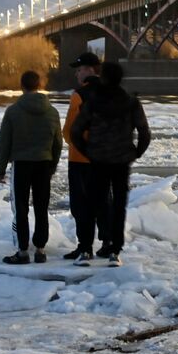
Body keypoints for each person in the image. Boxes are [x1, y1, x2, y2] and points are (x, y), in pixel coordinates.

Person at [69, 61, 152, 267]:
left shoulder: (94, 102)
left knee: (91, 203)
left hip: (97, 160)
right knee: (118, 205)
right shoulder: (131, 102)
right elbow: (144, 131)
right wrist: (136, 152)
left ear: (104, 77)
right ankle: (115, 250)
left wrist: (87, 152)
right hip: (121, 161)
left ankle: (86, 249)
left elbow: (75, 131)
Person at [0, 70, 63, 265]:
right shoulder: (52, 112)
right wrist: (53, 164)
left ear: (22, 86)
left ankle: (22, 250)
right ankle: (40, 250)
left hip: (21, 164)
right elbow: (57, 142)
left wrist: (0, 168)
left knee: (20, 208)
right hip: (44, 163)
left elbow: (4, 142)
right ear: (39, 85)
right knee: (42, 207)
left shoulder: (13, 111)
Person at [62, 51, 109, 262]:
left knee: (82, 204)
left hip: (81, 160)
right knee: (104, 202)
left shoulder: (79, 95)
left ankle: (85, 247)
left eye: (79, 70)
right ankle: (108, 245)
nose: (76, 74)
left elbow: (69, 132)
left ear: (90, 69)